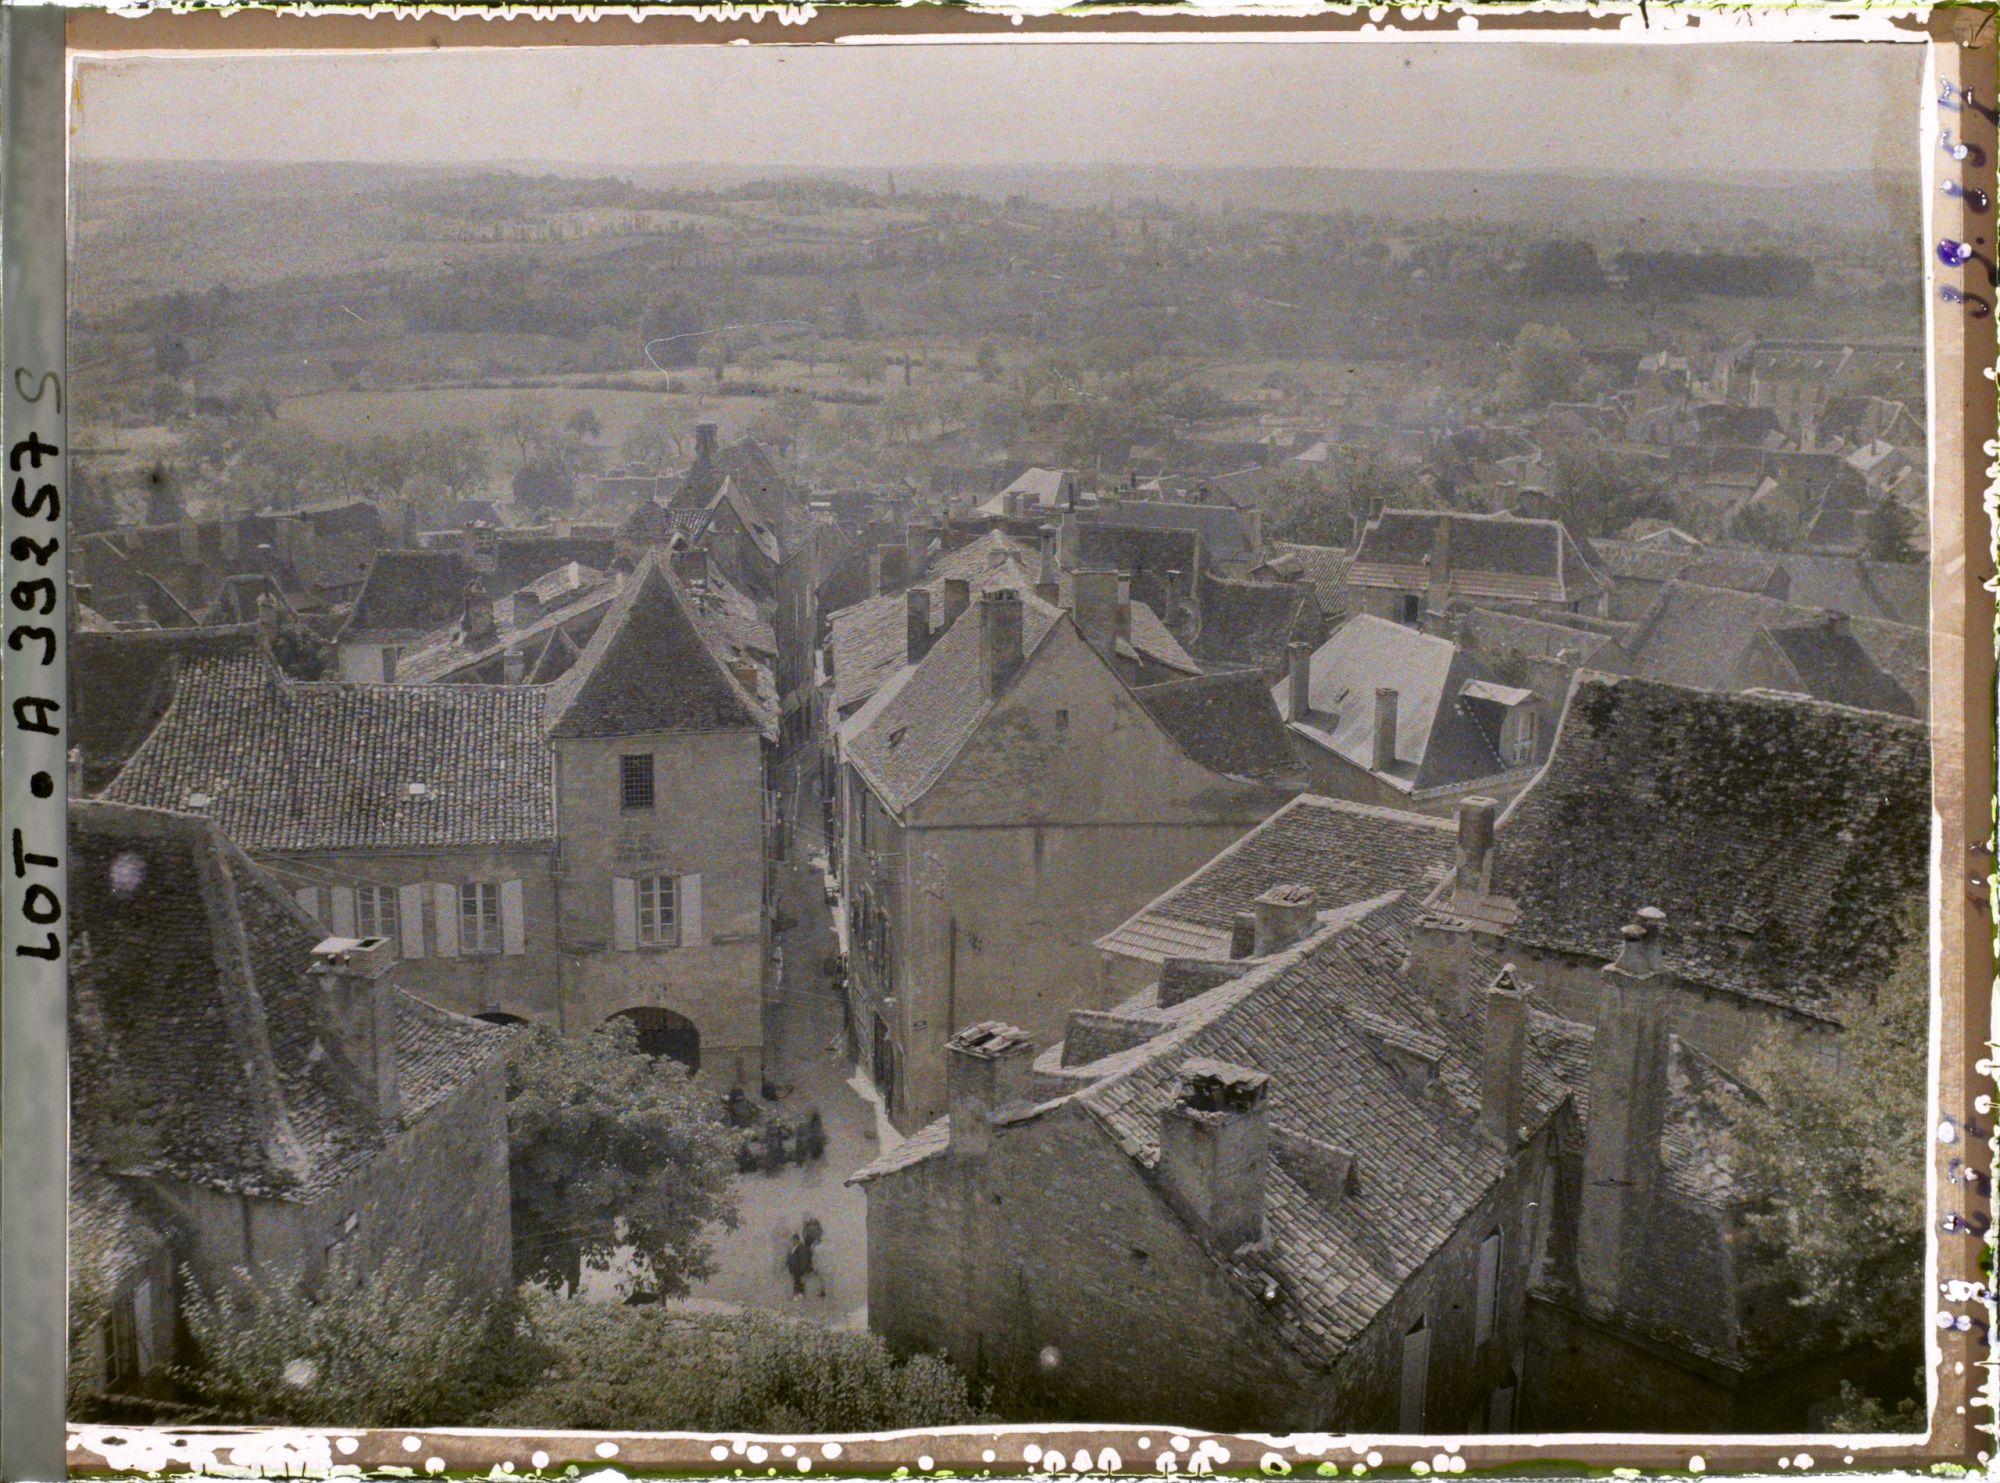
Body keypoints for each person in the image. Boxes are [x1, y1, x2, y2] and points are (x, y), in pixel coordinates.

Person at [785, 1232, 813, 1298]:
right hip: (794, 1269)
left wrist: (803, 1269)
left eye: (794, 1240)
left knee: (799, 1282)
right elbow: (790, 1257)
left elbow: (803, 1259)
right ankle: (798, 1295)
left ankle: (799, 1295)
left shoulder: (801, 1247)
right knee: (796, 1281)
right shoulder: (793, 1247)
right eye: (792, 1240)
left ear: (797, 1240)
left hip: (799, 1269)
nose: (793, 1241)